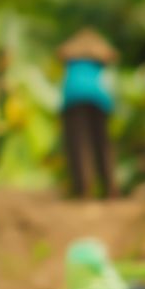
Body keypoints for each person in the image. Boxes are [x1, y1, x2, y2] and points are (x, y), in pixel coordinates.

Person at [58, 28, 118, 199]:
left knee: (78, 144)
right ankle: (110, 188)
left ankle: (84, 189)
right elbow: (112, 57)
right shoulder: (99, 60)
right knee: (102, 143)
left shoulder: (71, 59)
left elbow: (60, 55)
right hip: (98, 97)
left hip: (74, 97)